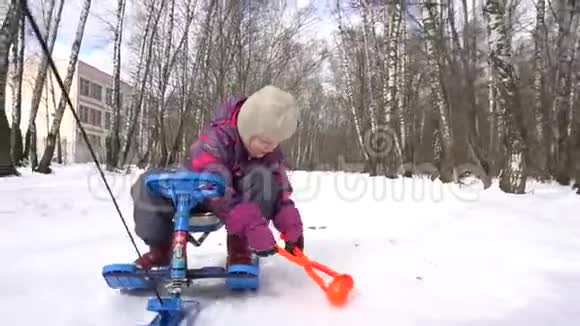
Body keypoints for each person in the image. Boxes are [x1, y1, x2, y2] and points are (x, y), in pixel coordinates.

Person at [129, 85, 304, 270]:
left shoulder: (269, 153)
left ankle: (240, 249)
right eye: (266, 142)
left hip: (238, 203)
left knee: (262, 179)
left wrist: (291, 227)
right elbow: (212, 187)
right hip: (198, 193)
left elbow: (280, 189)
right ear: (249, 129)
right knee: (146, 184)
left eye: (276, 143)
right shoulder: (215, 141)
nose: (271, 148)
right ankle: (160, 249)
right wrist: (251, 225)